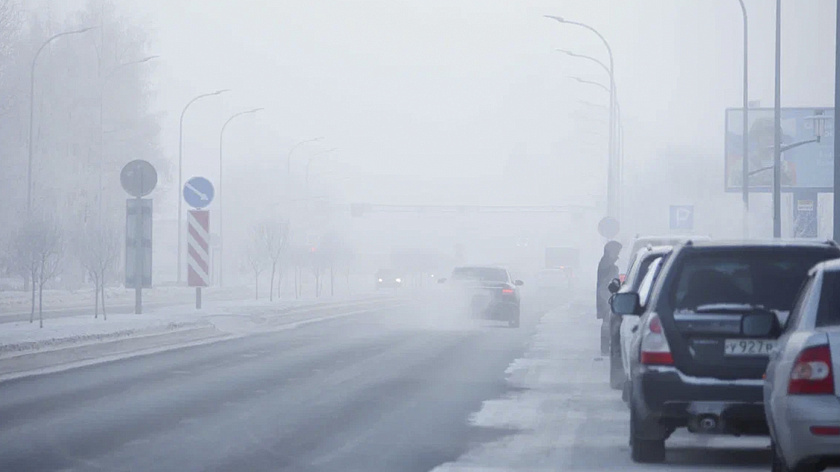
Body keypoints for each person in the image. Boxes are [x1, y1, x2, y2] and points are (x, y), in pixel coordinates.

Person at [596, 240, 622, 355]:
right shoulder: (607, 265)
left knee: (608, 322)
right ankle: (605, 348)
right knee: (607, 322)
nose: (618, 254)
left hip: (607, 296)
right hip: (607, 297)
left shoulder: (607, 264)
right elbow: (606, 283)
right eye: (616, 251)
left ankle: (606, 347)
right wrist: (608, 299)